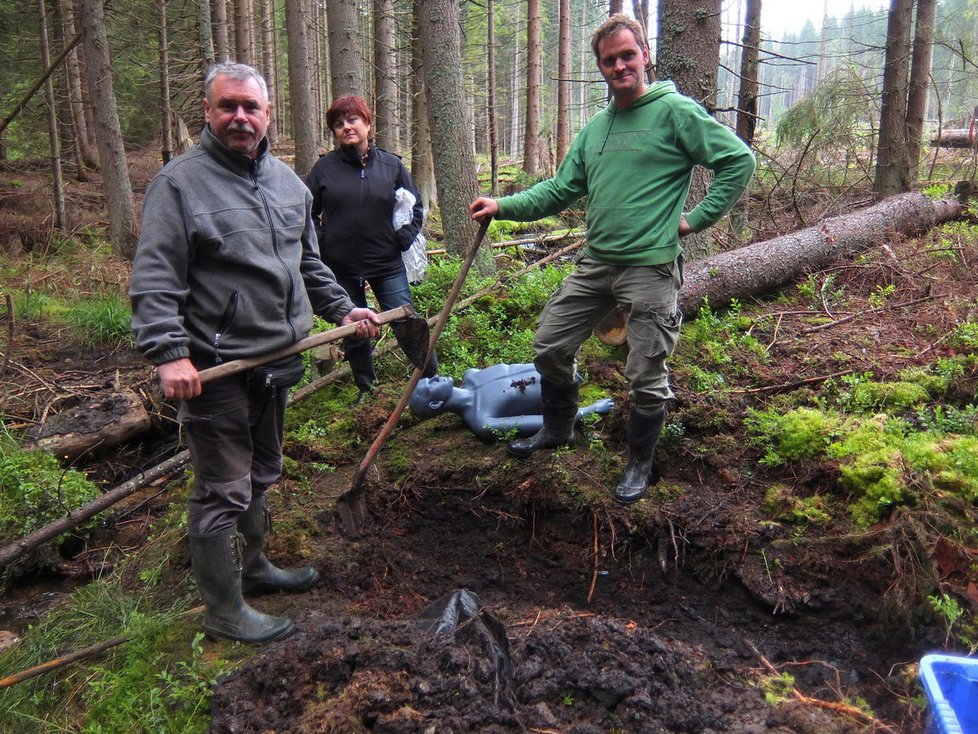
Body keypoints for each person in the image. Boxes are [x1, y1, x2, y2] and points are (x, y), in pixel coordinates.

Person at [130, 62, 381, 644]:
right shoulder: (179, 185)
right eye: (228, 106)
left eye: (251, 107)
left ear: (268, 116)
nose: (240, 116)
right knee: (222, 487)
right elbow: (155, 276)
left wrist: (344, 310)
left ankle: (255, 567)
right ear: (209, 112)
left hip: (278, 358)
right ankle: (223, 611)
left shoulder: (289, 184)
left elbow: (309, 264)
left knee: (262, 471)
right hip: (216, 367)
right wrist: (169, 353)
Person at [469, 14, 756, 505]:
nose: (620, 65)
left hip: (650, 269)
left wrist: (695, 219)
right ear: (600, 67)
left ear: (645, 54)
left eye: (628, 55)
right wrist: (503, 207)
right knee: (549, 346)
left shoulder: (674, 112)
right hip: (597, 264)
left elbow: (738, 160)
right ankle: (560, 428)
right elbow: (561, 190)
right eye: (609, 60)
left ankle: (639, 462)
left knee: (646, 375)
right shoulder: (598, 127)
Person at [305, 95, 437, 400]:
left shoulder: (392, 165)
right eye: (338, 124)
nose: (346, 127)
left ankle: (432, 379)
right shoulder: (325, 168)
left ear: (367, 124)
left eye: (352, 120)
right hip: (341, 267)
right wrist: (324, 243)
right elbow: (307, 213)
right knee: (354, 329)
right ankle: (366, 388)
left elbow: (415, 206)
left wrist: (401, 239)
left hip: (386, 263)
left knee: (407, 321)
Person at [409, 364, 614, 441]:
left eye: (428, 378)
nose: (434, 377)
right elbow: (543, 422)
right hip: (561, 389)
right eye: (430, 385)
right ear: (435, 404)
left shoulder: (471, 375)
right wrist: (590, 409)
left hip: (560, 367)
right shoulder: (483, 420)